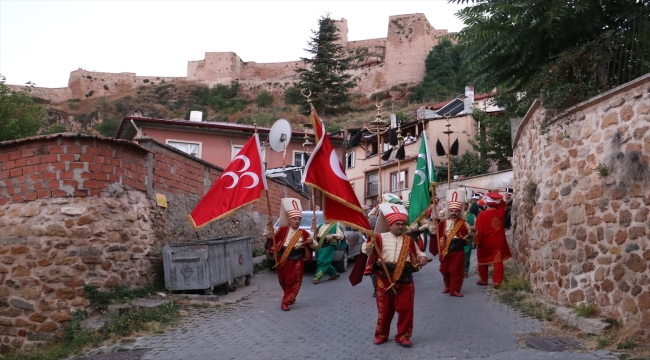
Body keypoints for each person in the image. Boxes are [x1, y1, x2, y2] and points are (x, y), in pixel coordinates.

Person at [362, 204, 428, 347]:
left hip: (404, 277)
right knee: (384, 310)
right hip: (384, 278)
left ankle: (403, 335)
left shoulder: (409, 240)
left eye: (403, 224)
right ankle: (381, 334)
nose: (400, 227)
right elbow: (366, 251)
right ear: (390, 225)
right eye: (397, 224)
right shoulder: (379, 237)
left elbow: (418, 253)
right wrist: (369, 241)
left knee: (406, 309)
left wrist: (422, 257)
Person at [264, 198, 318, 311]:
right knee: (282, 280)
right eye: (294, 219)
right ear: (290, 219)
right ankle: (289, 295)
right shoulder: (282, 230)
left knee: (293, 281)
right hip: (282, 259)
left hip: (297, 259)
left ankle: (285, 302)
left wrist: (311, 241)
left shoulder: (304, 233)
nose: (297, 221)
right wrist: (269, 224)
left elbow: (316, 246)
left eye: (299, 219)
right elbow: (268, 235)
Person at [429, 191, 474, 297]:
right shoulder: (443, 222)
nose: (454, 212)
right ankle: (448, 286)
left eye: (456, 211)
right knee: (444, 270)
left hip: (457, 249)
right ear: (449, 211)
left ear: (459, 212)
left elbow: (472, 233)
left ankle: (455, 289)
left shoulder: (463, 222)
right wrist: (433, 221)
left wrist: (473, 230)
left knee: (456, 270)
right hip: (445, 248)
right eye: (452, 210)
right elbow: (433, 232)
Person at [474, 192, 512, 288]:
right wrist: (497, 194)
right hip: (498, 241)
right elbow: (502, 203)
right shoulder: (500, 212)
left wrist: (477, 241)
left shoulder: (481, 215)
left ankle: (484, 279)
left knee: (482, 259)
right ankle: (497, 281)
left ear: (487, 203)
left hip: (485, 242)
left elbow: (479, 231)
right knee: (498, 261)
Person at [463, 201, 479, 278]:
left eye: (465, 204)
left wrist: (474, 228)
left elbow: (476, 226)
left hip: (468, 237)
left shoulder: (472, 216)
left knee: (466, 254)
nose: (464, 206)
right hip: (457, 238)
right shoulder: (456, 215)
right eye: (462, 204)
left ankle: (465, 271)